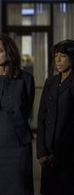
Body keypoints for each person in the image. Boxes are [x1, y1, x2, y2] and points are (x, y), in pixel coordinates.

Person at [0, 33, 35, 195]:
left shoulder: (25, 79)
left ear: (9, 52)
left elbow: (27, 109)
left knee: (17, 188)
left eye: (0, 51)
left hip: (16, 146)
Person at [36, 39, 74, 195]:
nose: (58, 60)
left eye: (63, 56)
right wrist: (41, 152)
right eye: (56, 55)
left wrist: (58, 154)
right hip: (48, 155)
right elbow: (41, 116)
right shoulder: (50, 82)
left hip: (68, 154)